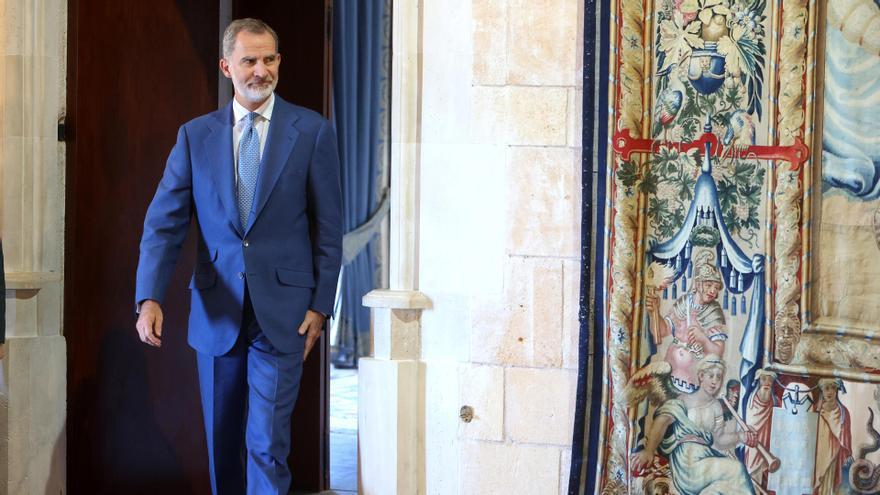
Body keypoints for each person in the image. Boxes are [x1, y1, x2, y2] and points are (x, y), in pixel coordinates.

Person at [134, 18, 342, 495]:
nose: (261, 71)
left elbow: (330, 229)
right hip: (216, 310)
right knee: (222, 441)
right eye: (249, 60)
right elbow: (163, 223)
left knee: (267, 444)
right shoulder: (194, 136)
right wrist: (149, 296)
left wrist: (321, 304)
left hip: (286, 313)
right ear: (227, 66)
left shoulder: (311, 131)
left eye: (269, 59)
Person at [632, 355, 756, 495]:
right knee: (737, 469)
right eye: (711, 376)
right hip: (687, 461)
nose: (715, 381)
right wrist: (649, 450)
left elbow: (719, 440)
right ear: (701, 376)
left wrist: (740, 437)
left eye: (719, 377)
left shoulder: (716, 406)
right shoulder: (685, 400)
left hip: (705, 456)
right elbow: (662, 421)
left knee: (722, 488)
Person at [645, 250, 727, 393]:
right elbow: (663, 331)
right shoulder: (684, 302)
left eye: (715, 287)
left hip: (693, 379)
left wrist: (703, 339)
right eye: (708, 285)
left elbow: (718, 352)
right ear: (698, 283)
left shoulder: (714, 311)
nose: (713, 290)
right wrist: (654, 313)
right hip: (670, 370)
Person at [813, 378, 853, 495]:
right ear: (822, 391)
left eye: (833, 388)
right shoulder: (817, 409)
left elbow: (846, 436)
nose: (829, 392)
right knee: (818, 479)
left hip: (834, 452)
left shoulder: (843, 412)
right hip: (819, 452)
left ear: (836, 390)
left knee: (829, 480)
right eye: (826, 388)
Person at [745, 370, 778, 482]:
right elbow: (751, 423)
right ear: (758, 381)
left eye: (770, 380)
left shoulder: (774, 401)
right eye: (764, 379)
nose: (767, 383)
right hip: (755, 443)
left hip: (768, 442)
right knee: (753, 471)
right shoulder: (751, 400)